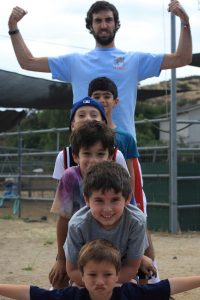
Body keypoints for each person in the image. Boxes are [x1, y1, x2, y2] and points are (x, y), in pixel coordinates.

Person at [8, 1, 192, 139]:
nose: (103, 25)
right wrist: (13, 28)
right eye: (98, 21)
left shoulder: (134, 60)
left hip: (123, 144)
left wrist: (185, 22)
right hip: (84, 147)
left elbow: (182, 58)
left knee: (128, 192)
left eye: (108, 20)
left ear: (116, 24)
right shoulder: (75, 61)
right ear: (90, 25)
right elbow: (28, 62)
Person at [88, 76, 160, 284]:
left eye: (107, 96)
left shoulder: (126, 138)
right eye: (96, 96)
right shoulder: (86, 136)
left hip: (124, 199)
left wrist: (134, 203)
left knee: (144, 241)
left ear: (116, 101)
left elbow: (132, 174)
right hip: (99, 202)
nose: (102, 100)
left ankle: (146, 286)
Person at [50, 119, 135, 289]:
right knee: (58, 282)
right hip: (82, 248)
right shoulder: (70, 178)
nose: (93, 160)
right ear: (75, 156)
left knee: (141, 276)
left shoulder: (117, 179)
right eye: (87, 154)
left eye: (100, 154)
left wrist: (143, 258)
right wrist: (61, 259)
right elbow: (63, 220)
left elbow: (133, 218)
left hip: (117, 250)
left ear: (110, 157)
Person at [1, 239, 200, 300]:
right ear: (81, 276)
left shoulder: (129, 293)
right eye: (92, 274)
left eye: (107, 275)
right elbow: (31, 293)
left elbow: (168, 286)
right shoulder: (72, 296)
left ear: (117, 276)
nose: (100, 281)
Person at [64, 160, 149, 286]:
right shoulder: (77, 225)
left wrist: (107, 284)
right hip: (87, 278)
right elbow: (73, 270)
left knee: (130, 289)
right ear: (87, 199)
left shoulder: (136, 222)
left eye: (115, 200)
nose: (107, 209)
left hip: (120, 275)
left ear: (128, 198)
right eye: (99, 200)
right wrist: (97, 284)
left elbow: (131, 268)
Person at [53, 96, 128, 180]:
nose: (88, 119)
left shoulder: (116, 155)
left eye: (94, 115)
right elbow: (61, 190)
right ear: (72, 125)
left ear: (104, 123)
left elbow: (125, 189)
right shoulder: (64, 156)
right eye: (81, 115)